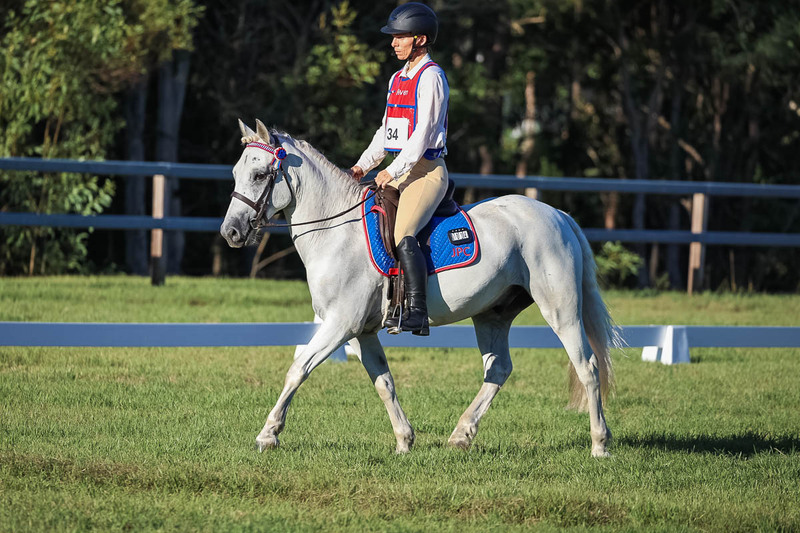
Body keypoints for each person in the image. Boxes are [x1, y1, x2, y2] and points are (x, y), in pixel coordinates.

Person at [350, 2, 449, 336]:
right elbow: (387, 131)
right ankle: (385, 302)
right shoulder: (397, 78)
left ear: (420, 39)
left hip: (425, 171)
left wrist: (391, 172)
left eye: (400, 36)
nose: (393, 42)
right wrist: (362, 164)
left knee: (403, 232)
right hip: (399, 169)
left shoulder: (432, 77)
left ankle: (417, 312)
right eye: (392, 37)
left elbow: (421, 136)